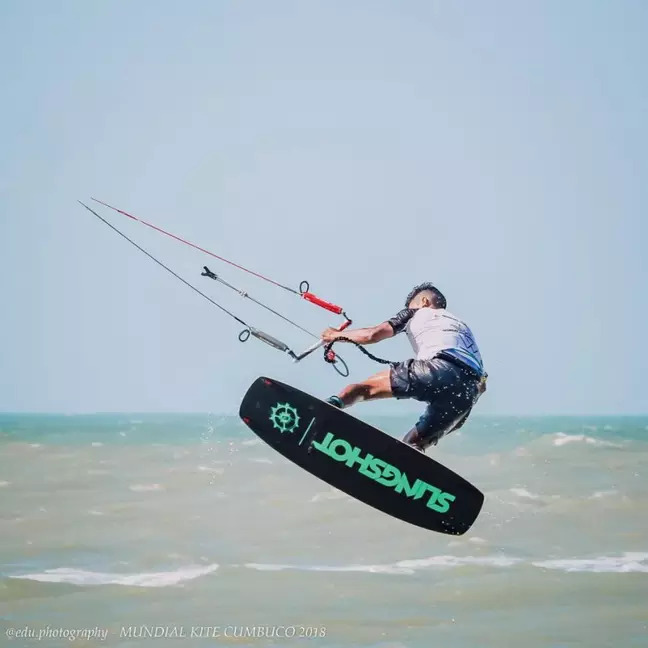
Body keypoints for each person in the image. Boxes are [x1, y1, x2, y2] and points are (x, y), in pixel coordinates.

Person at [321, 282, 486, 452]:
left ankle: (323, 413)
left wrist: (335, 335)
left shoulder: (417, 312)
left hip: (436, 369)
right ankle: (407, 470)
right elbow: (482, 386)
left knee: (362, 389)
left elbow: (373, 334)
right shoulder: (463, 327)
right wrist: (455, 416)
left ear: (424, 301)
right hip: (469, 390)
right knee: (412, 447)